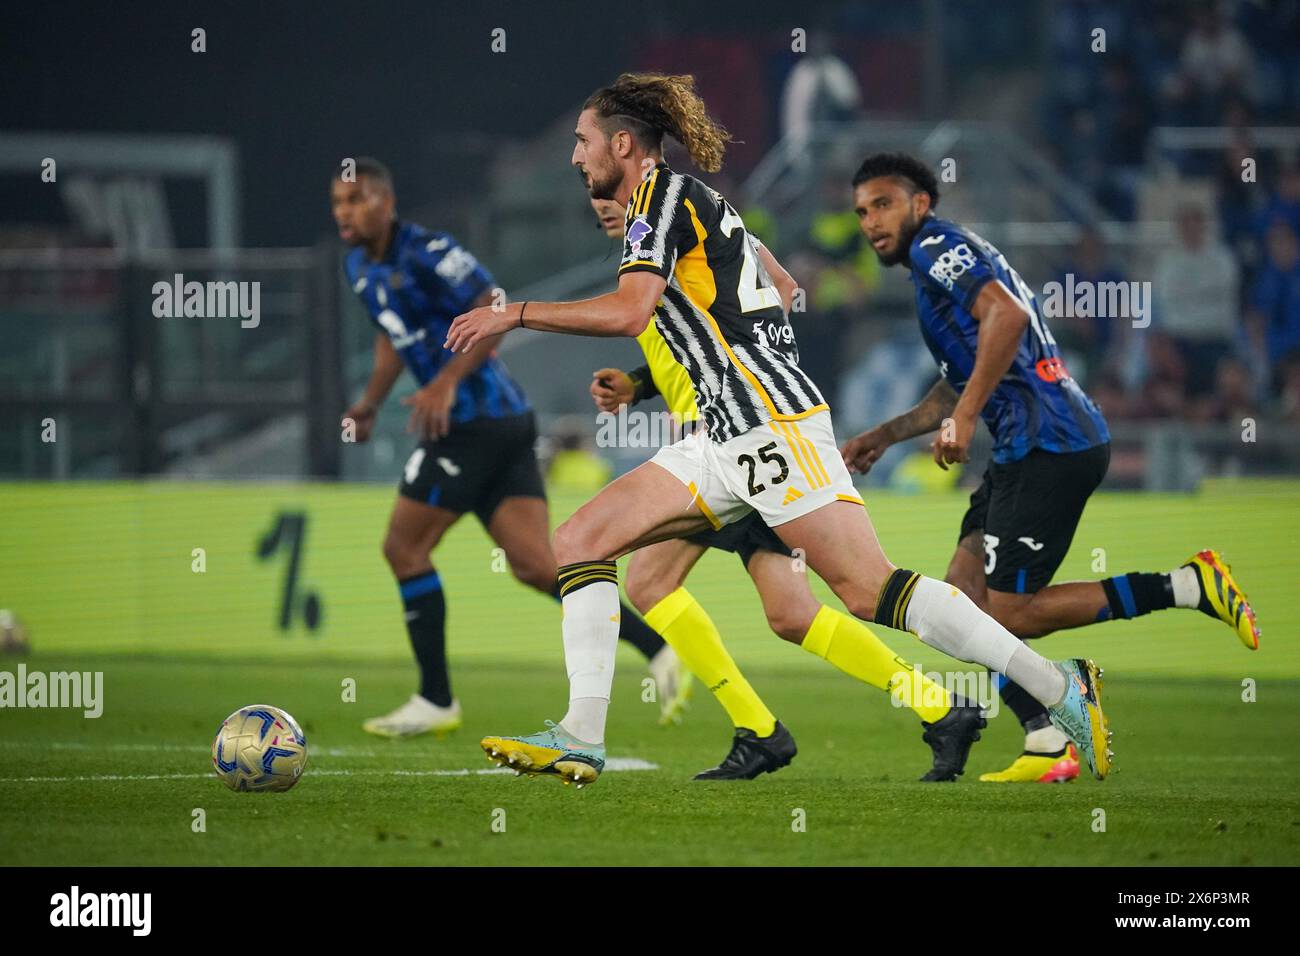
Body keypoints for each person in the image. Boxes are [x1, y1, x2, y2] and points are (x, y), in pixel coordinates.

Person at [444, 73, 1114, 788]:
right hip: (721, 432)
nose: (575, 158)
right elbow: (774, 279)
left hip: (767, 419)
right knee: (581, 541)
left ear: (622, 143)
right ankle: (581, 735)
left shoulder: (660, 201)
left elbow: (631, 312)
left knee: (866, 590)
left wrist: (511, 313)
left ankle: (1056, 686)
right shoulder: (691, 204)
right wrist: (731, 329)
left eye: (582, 142)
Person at [842, 152, 1260, 782]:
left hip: (1051, 443)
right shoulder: (940, 266)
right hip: (1026, 445)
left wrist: (966, 416)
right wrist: (887, 433)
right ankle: (1044, 739)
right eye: (861, 212)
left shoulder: (935, 247)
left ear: (920, 204)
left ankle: (1186, 588)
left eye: (882, 204)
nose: (871, 221)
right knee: (961, 598)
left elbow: (1005, 317)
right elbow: (959, 383)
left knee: (1008, 614)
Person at [588, 195, 978, 782]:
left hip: (728, 444)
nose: (603, 204)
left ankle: (760, 730)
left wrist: (753, 384)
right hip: (743, 439)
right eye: (595, 198)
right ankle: (940, 708)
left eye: (610, 191)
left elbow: (774, 295)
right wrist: (642, 385)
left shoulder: (669, 245)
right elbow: (748, 310)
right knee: (792, 613)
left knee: (648, 580)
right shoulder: (654, 256)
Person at [330, 157, 684, 737]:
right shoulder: (357, 266)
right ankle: (659, 649)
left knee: (403, 549)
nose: (346, 212)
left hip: (476, 422)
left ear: (386, 203)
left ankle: (436, 698)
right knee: (535, 565)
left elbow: (492, 301)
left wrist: (444, 382)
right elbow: (391, 337)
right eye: (339, 203)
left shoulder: (428, 251)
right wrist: (369, 402)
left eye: (357, 200)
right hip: (505, 423)